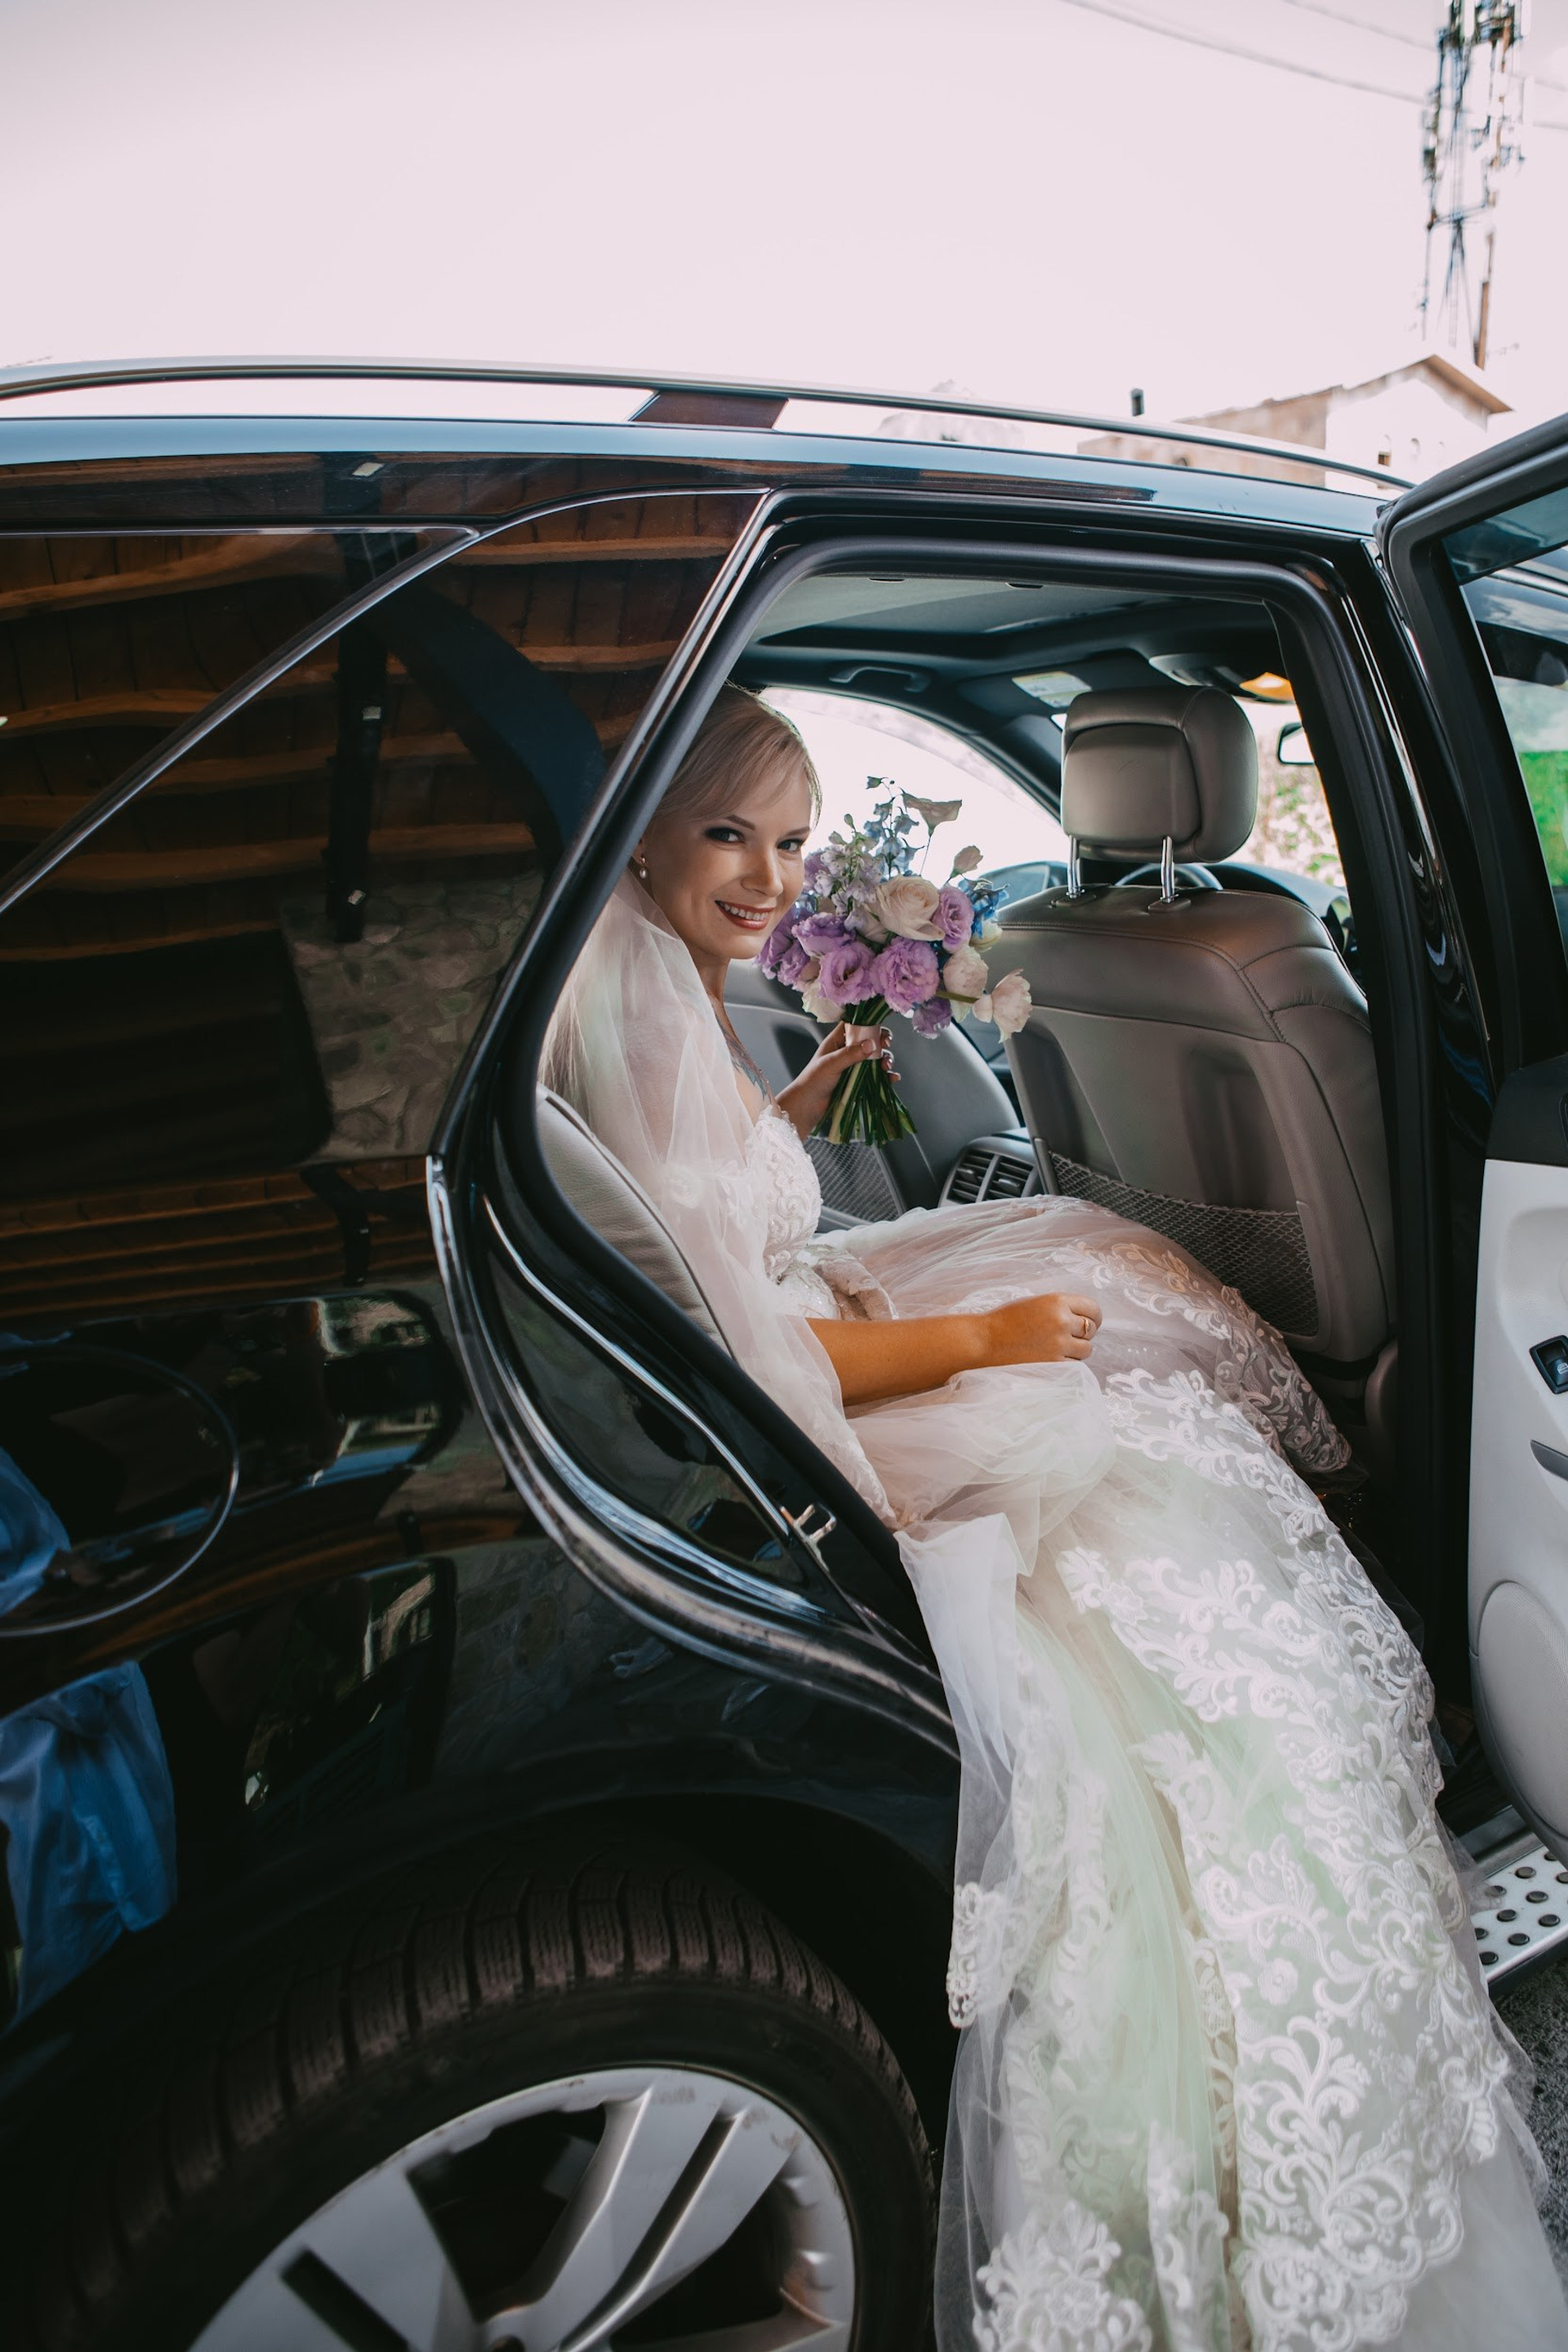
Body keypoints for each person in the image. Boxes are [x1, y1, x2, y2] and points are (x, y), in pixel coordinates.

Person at [542, 685, 1568, 2352]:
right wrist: (987, 1338)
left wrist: (803, 1109)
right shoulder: (645, 999)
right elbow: (760, 1343)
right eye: (730, 833)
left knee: (1125, 1289)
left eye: (792, 844)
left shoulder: (642, 971)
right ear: (644, 825)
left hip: (810, 1317)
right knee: (1157, 1458)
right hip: (820, 1379)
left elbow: (703, 1208)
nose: (767, 877)